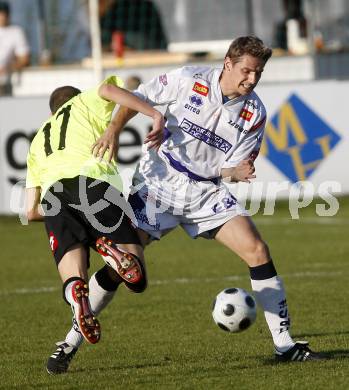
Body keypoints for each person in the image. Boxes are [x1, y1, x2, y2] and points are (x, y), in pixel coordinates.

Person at [90, 36, 327, 362]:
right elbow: (136, 98)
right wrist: (114, 130)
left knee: (257, 250)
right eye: (246, 70)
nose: (252, 79)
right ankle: (73, 334)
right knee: (123, 266)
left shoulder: (254, 112)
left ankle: (285, 345)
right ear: (227, 63)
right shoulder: (189, 79)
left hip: (206, 192)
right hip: (160, 185)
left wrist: (235, 174)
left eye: (258, 73)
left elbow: (228, 170)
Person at [25, 76, 164, 374]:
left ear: (51, 114)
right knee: (136, 281)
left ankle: (77, 294)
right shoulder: (86, 99)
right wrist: (153, 113)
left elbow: (30, 211)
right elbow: (109, 90)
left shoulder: (38, 140)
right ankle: (110, 250)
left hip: (54, 200)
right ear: (75, 98)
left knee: (73, 279)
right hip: (93, 184)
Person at [0, 1, 30, 96]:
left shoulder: (16, 32)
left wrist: (8, 68)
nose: (2, 17)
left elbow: (24, 59)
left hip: (4, 83)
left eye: (3, 13)